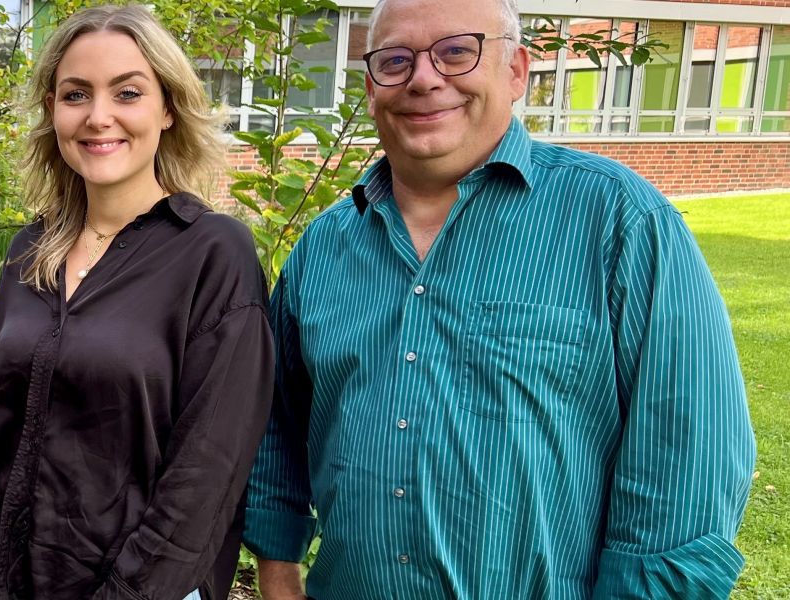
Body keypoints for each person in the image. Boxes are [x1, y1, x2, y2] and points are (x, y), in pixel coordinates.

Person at [242, 0, 757, 597]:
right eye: (396, 59)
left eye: (457, 51)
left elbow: (687, 458)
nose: (424, 78)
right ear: (371, 85)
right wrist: (278, 571)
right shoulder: (324, 249)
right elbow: (274, 424)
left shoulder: (618, 220)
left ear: (516, 70)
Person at [0, 5, 274, 600]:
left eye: (127, 92)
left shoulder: (214, 254)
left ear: (167, 108)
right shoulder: (29, 252)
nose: (98, 117)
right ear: (52, 113)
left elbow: (206, 473)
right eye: (75, 94)